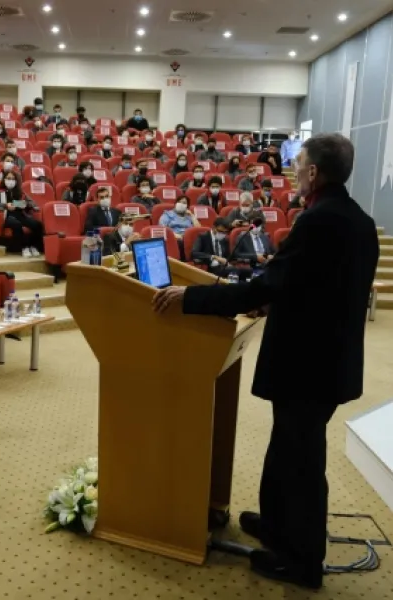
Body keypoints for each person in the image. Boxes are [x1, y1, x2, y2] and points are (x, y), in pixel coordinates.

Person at [152, 133, 379, 590]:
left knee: (301, 460)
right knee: (288, 449)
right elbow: (324, 289)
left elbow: (265, 286)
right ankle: (278, 527)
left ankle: (302, 562)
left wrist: (191, 298)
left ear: (313, 173)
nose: (293, 173)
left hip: (308, 366)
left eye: (299, 166)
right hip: (327, 361)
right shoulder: (359, 220)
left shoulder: (318, 222)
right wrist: (278, 302)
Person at [0, 171, 43, 258]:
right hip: (7, 216)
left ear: (16, 181)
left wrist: (23, 204)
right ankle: (24, 247)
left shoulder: (20, 192)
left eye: (13, 179)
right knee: (17, 224)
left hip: (20, 214)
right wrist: (5, 205)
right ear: (4, 180)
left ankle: (33, 246)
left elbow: (32, 203)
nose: (10, 181)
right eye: (8, 178)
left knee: (37, 224)